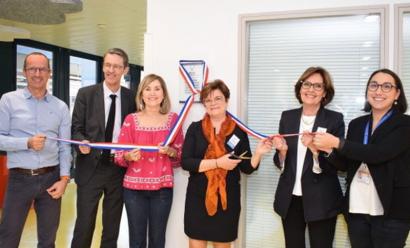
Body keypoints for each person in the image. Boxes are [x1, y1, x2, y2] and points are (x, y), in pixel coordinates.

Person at [313, 68, 410, 248]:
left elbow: (379, 153)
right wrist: (326, 150)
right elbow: (345, 165)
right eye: (374, 85)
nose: (378, 91)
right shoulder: (357, 124)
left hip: (392, 212)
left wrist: (337, 142)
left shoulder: (405, 124)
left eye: (386, 86)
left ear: (397, 93)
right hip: (357, 208)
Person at [182, 79, 273, 248]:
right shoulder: (195, 129)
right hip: (197, 200)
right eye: (208, 100)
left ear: (226, 101)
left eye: (217, 98)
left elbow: (246, 168)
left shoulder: (239, 131)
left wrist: (259, 153)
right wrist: (217, 163)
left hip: (226, 202)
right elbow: (186, 163)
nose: (213, 103)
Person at [0, 52, 72, 247]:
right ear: (24, 72)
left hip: (51, 178)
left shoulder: (61, 107)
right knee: (8, 238)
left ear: (49, 73)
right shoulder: (8, 101)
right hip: (19, 180)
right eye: (32, 69)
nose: (37, 73)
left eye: (42, 69)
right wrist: (27, 143)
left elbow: (65, 147)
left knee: (48, 241)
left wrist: (64, 179)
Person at [271, 66, 345, 248]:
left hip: (322, 200)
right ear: (300, 88)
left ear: (325, 93)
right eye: (307, 84)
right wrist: (281, 152)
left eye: (318, 86)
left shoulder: (334, 119)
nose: (311, 89)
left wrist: (315, 150)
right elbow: (280, 161)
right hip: (290, 199)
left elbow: (341, 163)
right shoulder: (287, 117)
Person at [71, 48, 136, 248]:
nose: (111, 70)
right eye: (108, 65)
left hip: (118, 168)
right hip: (90, 167)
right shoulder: (85, 94)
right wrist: (81, 141)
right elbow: (76, 129)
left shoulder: (132, 97)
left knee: (112, 226)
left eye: (117, 66)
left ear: (125, 69)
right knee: (84, 224)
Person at [114, 73, 184, 248]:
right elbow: (119, 155)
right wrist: (129, 156)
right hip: (133, 191)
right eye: (148, 88)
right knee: (136, 241)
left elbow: (180, 157)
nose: (152, 93)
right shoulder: (131, 120)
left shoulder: (173, 120)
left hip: (162, 190)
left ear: (163, 93)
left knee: (157, 240)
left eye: (157, 88)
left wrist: (171, 152)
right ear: (141, 94)